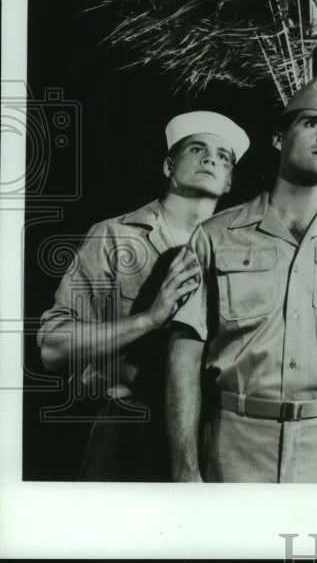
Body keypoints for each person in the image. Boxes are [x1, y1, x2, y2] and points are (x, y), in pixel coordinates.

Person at [166, 68, 317, 483]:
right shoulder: (216, 236)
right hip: (233, 443)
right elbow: (185, 352)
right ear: (278, 139)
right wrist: (184, 469)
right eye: (312, 123)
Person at [37, 111, 249, 481]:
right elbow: (53, 349)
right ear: (169, 165)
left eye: (223, 156)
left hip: (219, 431)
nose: (211, 158)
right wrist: (149, 318)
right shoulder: (115, 236)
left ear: (229, 180)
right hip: (131, 425)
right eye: (197, 148)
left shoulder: (244, 249)